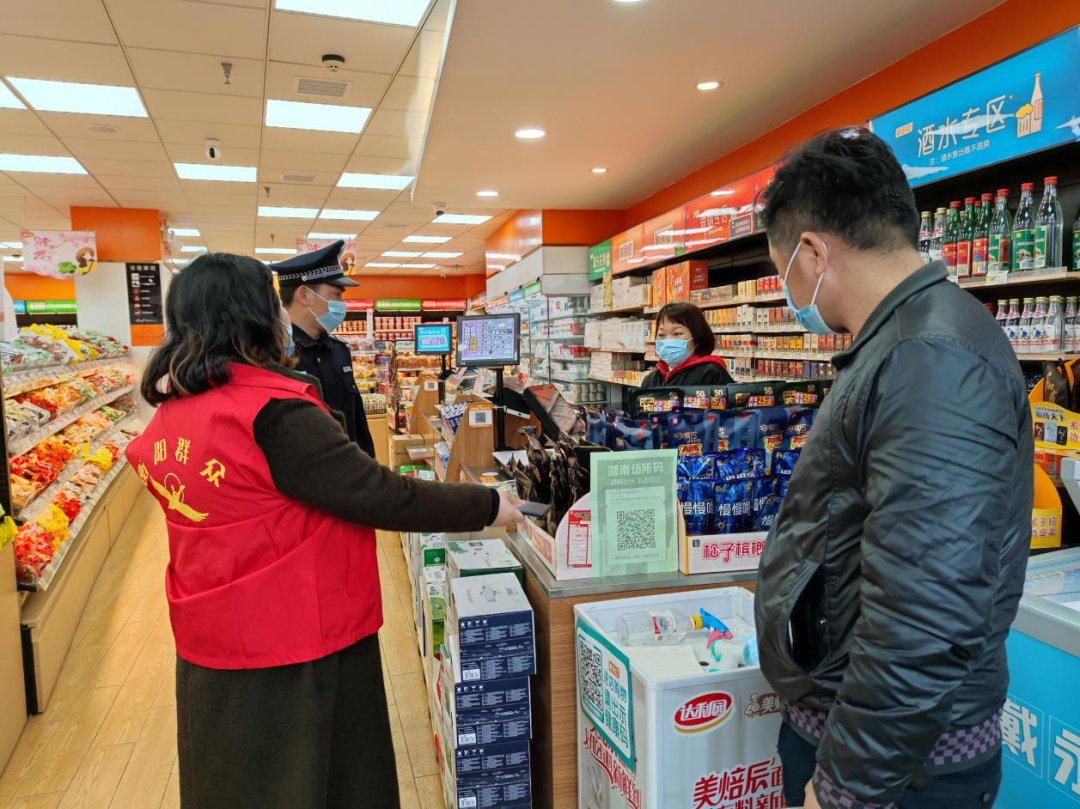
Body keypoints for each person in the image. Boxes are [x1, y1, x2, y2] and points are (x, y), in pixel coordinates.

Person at [126, 252, 525, 809]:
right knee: (319, 777)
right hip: (295, 638)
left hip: (211, 636)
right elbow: (378, 493)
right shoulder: (272, 413)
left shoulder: (177, 410)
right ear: (252, 314)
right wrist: (487, 504)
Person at [754, 127, 1032, 809]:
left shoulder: (930, 357)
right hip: (873, 751)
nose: (789, 292)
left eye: (783, 271)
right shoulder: (905, 341)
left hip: (896, 774)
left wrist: (844, 788)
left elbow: (925, 613)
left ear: (813, 252)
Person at [276, 241, 376, 457]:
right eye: (336, 295)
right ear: (304, 295)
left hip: (349, 469)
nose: (342, 304)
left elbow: (358, 422)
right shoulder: (275, 355)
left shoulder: (339, 351)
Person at [640, 301, 734, 387]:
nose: (668, 340)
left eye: (677, 333)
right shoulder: (650, 380)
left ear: (697, 337)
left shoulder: (712, 374)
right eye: (661, 334)